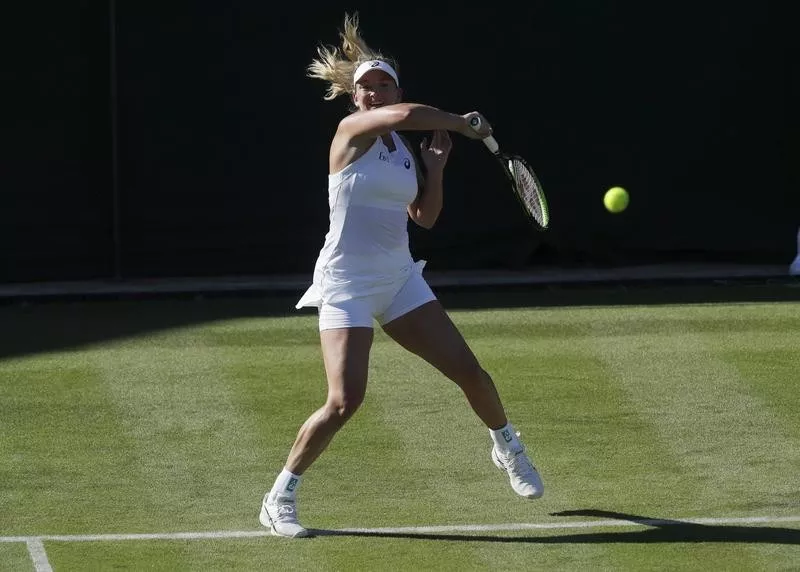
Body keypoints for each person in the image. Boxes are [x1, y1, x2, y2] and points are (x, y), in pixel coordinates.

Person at [259, 13, 544, 539]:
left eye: (381, 84)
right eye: (364, 87)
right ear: (355, 100)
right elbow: (411, 114)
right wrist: (463, 121)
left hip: (398, 279)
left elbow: (425, 218)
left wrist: (435, 172)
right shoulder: (350, 133)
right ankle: (279, 498)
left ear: (394, 88)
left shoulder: (404, 153)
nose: (371, 92)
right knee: (345, 400)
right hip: (345, 284)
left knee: (471, 374)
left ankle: (508, 447)